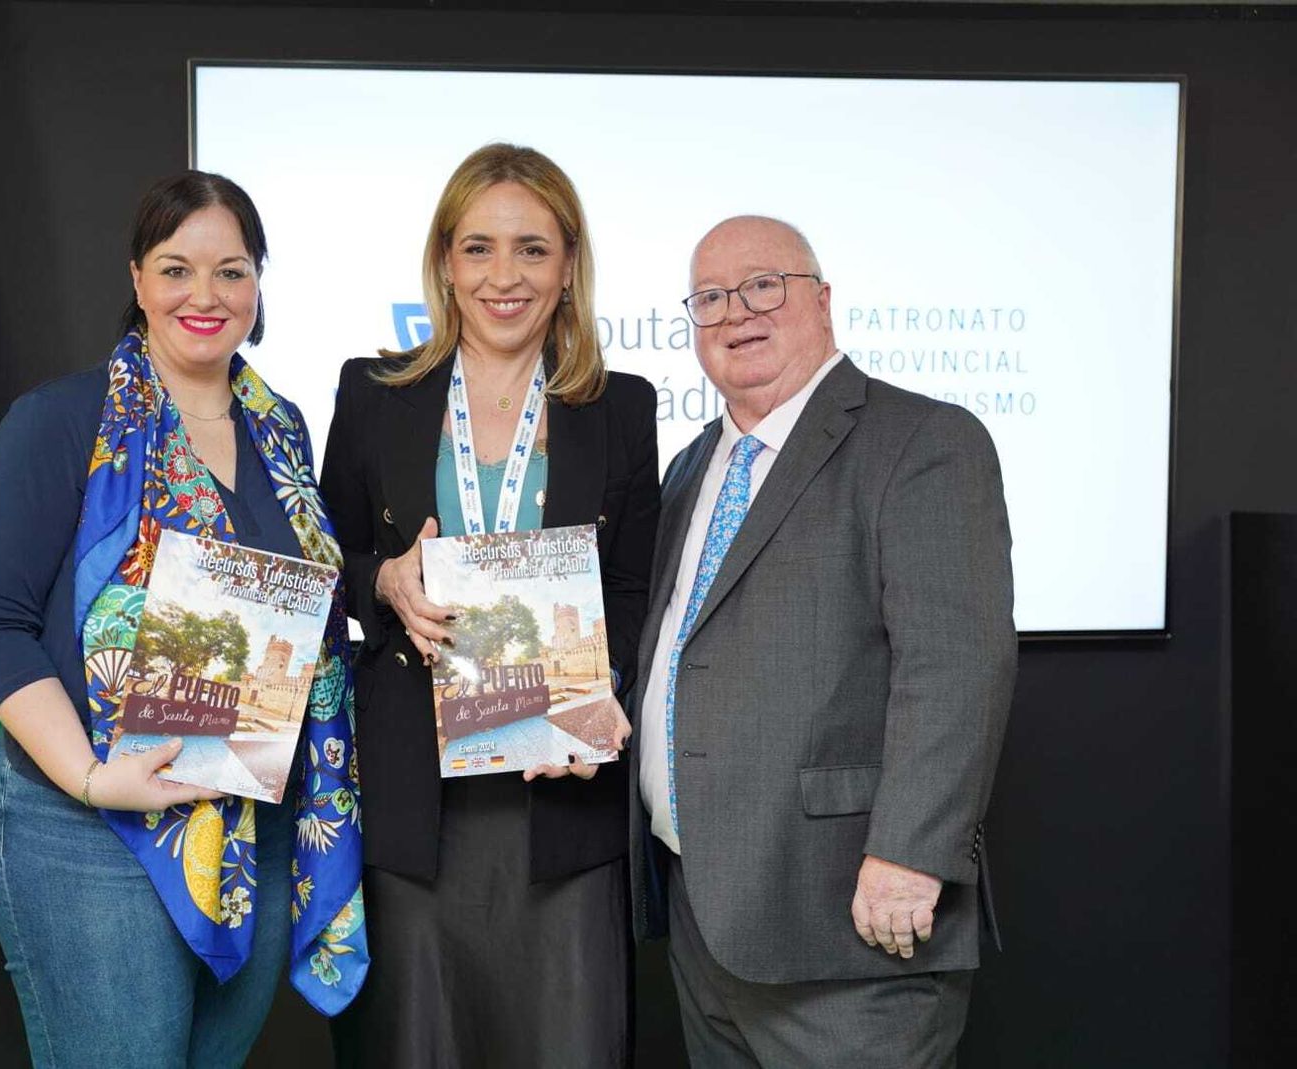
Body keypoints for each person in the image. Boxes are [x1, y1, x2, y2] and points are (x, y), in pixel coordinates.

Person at [0, 171, 365, 1068]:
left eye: (232, 271)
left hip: (249, 825)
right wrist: (95, 778)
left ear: (259, 284)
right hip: (85, 827)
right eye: (177, 269)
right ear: (137, 278)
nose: (205, 296)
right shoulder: (63, 420)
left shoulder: (281, 429)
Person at [630, 216, 1016, 1067]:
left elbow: (957, 666)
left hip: (854, 923)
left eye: (764, 285)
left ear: (823, 299)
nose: (737, 312)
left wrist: (911, 855)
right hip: (706, 921)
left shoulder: (921, 441)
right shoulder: (693, 465)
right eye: (710, 298)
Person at [321, 143, 659, 1068]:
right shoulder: (373, 392)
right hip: (413, 799)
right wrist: (383, 580)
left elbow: (634, 585)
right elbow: (328, 567)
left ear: (569, 266)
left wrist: (600, 693)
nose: (503, 276)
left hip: (562, 792)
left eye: (531, 249)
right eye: (478, 248)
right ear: (443, 263)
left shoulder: (621, 406)